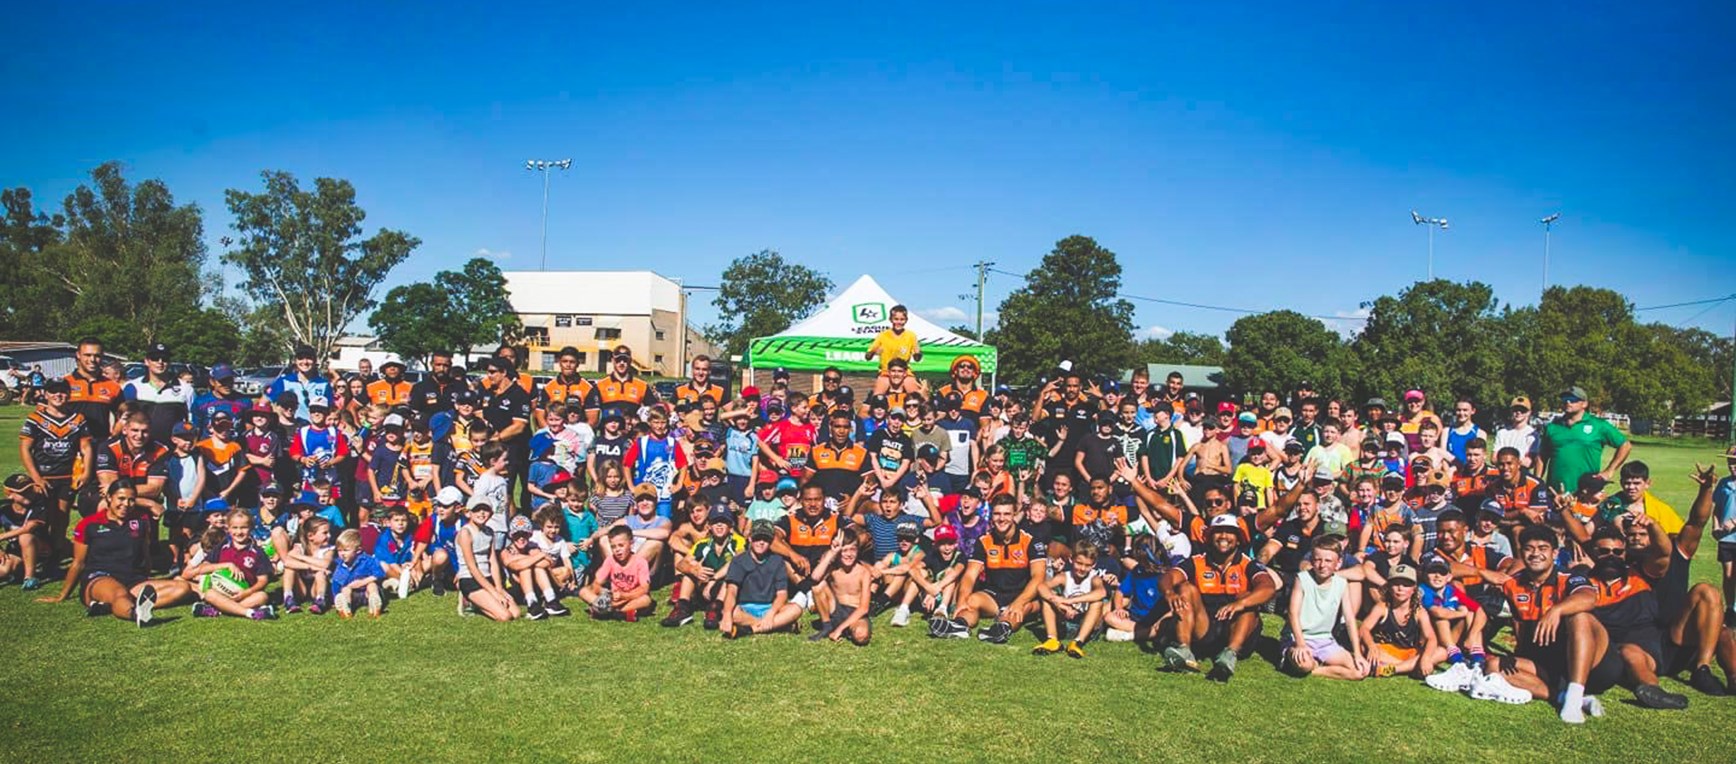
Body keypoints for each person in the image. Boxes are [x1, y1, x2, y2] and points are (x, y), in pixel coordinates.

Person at [36, 481, 196, 626]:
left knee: (182, 588)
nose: (126, 504)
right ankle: (136, 614)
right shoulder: (89, 524)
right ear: (109, 498)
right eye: (121, 499)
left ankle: (117, 605)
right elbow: (78, 562)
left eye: (131, 499)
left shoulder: (140, 522)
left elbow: (145, 554)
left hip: (133, 579)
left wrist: (146, 576)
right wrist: (62, 595)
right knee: (119, 593)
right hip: (99, 578)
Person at [1161, 513, 1278, 681]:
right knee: (1185, 588)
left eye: (1229, 532)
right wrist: (1169, 593)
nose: (1223, 536)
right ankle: (1184, 650)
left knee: (1248, 597)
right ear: (1209, 537)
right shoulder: (1197, 561)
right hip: (1205, 629)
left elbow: (1268, 588)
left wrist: (1241, 603)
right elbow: (1169, 577)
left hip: (1237, 630)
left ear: (1238, 539)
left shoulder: (1248, 564)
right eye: (1218, 532)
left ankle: (1230, 655)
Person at [930, 494, 1045, 643]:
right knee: (971, 600)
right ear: (991, 515)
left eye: (1006, 514)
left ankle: (1001, 628)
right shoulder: (984, 541)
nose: (1001, 519)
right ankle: (959, 626)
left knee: (1021, 609)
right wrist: (962, 601)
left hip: (1023, 595)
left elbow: (1038, 577)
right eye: (997, 514)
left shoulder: (1030, 540)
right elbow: (970, 575)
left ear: (1014, 514)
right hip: (994, 595)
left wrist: (1019, 602)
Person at [1281, 538, 1368, 680]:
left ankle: (1316, 668)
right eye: (1317, 560)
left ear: (1338, 563)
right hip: (1299, 637)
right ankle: (1308, 664)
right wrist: (1300, 644)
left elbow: (1350, 620)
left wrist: (1357, 654)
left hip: (1324, 640)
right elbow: (1293, 613)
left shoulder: (1341, 583)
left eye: (1328, 561)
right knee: (1304, 665)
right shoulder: (1302, 579)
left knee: (1358, 671)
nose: (1322, 565)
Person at [18, 377, 91, 546]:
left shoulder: (77, 419)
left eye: (63, 391)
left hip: (67, 477)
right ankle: (41, 550)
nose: (58, 395)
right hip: (43, 477)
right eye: (53, 391)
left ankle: (56, 551)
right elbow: (25, 449)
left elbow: (86, 447)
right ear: (45, 394)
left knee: (61, 516)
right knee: (42, 517)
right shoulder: (35, 419)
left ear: (69, 394)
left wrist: (86, 472)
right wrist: (36, 478)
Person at [1538, 385, 1631, 494]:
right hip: (1555, 492)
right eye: (1565, 399)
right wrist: (1537, 482)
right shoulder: (1552, 427)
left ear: (1584, 404)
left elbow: (1625, 445)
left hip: (1587, 493)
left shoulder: (1598, 425)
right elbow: (1542, 457)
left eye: (1573, 399)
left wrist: (1609, 471)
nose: (1568, 402)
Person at [720, 520, 804, 638]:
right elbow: (732, 590)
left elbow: (782, 594)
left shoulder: (777, 561)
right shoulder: (738, 561)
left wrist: (771, 614)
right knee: (731, 613)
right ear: (750, 539)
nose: (761, 543)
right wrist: (727, 615)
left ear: (770, 542)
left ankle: (749, 629)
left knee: (796, 609)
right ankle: (781, 625)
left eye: (765, 539)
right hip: (745, 608)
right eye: (757, 538)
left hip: (770, 607)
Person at [1359, 564, 1441, 679]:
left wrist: (1426, 658)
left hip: (1410, 652)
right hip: (1387, 651)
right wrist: (1371, 646)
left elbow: (1431, 638)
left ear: (1414, 589)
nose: (1400, 588)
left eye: (1406, 585)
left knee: (1441, 652)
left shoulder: (1419, 611)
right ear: (1389, 586)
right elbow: (1364, 628)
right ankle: (1411, 667)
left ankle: (1392, 669)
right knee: (1364, 648)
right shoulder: (1383, 607)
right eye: (1396, 584)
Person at [1031, 541, 1109, 658]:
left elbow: (1102, 592)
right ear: (1071, 560)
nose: (1082, 568)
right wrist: (1059, 604)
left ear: (1093, 565)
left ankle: (1078, 642)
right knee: (1048, 597)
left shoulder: (1094, 578)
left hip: (1086, 625)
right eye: (1079, 563)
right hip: (1066, 622)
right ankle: (1052, 640)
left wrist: (1069, 601)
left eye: (1087, 565)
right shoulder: (1064, 576)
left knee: (1098, 602)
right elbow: (1041, 587)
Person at [454, 502, 518, 622]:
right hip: (470, 579)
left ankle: (481, 602)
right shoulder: (465, 533)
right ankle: (471, 601)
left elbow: (492, 561)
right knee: (505, 616)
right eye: (477, 510)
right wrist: (494, 593)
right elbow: (472, 567)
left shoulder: (489, 531)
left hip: (487, 578)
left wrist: (499, 588)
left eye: (485, 510)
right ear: (469, 513)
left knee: (516, 613)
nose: (482, 513)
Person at [501, 515, 572, 620]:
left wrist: (520, 558)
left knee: (537, 568)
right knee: (525, 569)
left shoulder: (532, 547)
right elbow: (516, 566)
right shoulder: (506, 551)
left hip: (532, 585)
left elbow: (546, 564)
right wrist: (540, 555)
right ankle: (531, 604)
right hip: (515, 588)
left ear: (529, 535)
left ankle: (551, 600)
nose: (521, 538)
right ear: (511, 536)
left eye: (524, 534)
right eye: (517, 535)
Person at [808, 532, 873, 645]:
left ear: (858, 551)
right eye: (844, 550)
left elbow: (863, 608)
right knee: (817, 586)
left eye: (853, 549)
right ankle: (827, 626)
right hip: (836, 609)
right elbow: (814, 578)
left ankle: (843, 629)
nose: (849, 554)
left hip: (856, 614)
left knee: (861, 636)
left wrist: (839, 630)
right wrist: (832, 552)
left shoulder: (863, 572)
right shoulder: (833, 568)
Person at [1, 475, 51, 589]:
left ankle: (30, 578)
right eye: (23, 492)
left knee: (26, 537)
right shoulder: (4, 510)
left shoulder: (38, 506)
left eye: (30, 490)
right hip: (16, 550)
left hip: (40, 547)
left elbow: (29, 528)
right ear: (9, 494)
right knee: (5, 569)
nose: (29, 494)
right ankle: (17, 571)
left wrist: (2, 536)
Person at [266, 344, 333, 423]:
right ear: (295, 361)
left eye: (309, 358)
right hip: (290, 430)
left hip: (314, 429)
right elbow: (264, 402)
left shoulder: (324, 384)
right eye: (300, 358)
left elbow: (331, 410)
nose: (305, 362)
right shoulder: (284, 381)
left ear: (315, 361)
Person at [866, 305, 922, 394]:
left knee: (915, 395)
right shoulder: (883, 335)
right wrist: (873, 352)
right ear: (891, 319)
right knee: (878, 397)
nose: (899, 322)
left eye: (902, 319)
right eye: (896, 319)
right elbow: (867, 356)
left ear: (906, 320)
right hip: (886, 372)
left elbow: (917, 358)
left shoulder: (911, 336)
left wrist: (918, 354)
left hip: (904, 373)